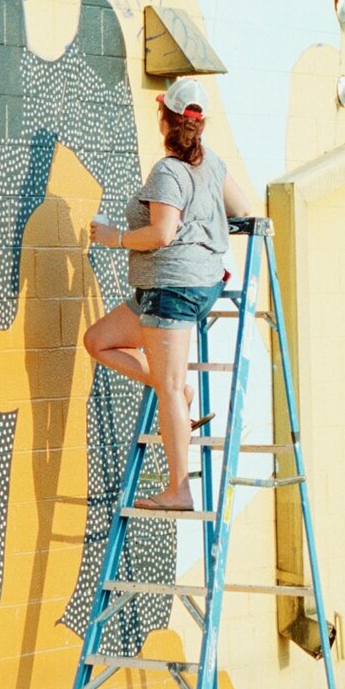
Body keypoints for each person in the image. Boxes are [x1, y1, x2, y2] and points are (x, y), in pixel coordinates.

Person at [81, 76, 260, 511]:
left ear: (165, 119)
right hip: (189, 285)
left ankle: (179, 489)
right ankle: (176, 389)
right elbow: (243, 210)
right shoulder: (210, 164)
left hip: (171, 290)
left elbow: (162, 233)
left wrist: (114, 237)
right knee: (97, 341)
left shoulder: (167, 170)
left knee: (170, 385)